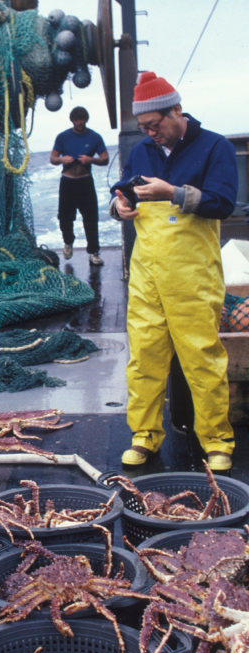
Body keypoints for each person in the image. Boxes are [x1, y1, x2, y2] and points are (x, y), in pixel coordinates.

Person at [110, 71, 237, 471]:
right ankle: (144, 434)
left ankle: (217, 440)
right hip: (147, 273)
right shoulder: (144, 150)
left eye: (155, 125)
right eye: (143, 128)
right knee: (144, 356)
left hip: (192, 274)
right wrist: (119, 207)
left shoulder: (215, 147)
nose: (150, 135)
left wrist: (173, 193)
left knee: (202, 357)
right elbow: (121, 191)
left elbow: (223, 203)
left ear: (177, 111)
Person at [50, 106, 109, 265]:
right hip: (67, 182)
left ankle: (94, 252)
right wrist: (62, 160)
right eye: (76, 120)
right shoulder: (63, 137)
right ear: (72, 121)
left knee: (91, 218)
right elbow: (53, 158)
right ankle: (68, 241)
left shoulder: (95, 137)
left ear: (86, 119)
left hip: (85, 182)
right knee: (64, 218)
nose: (79, 122)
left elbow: (105, 159)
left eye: (82, 119)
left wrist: (91, 160)